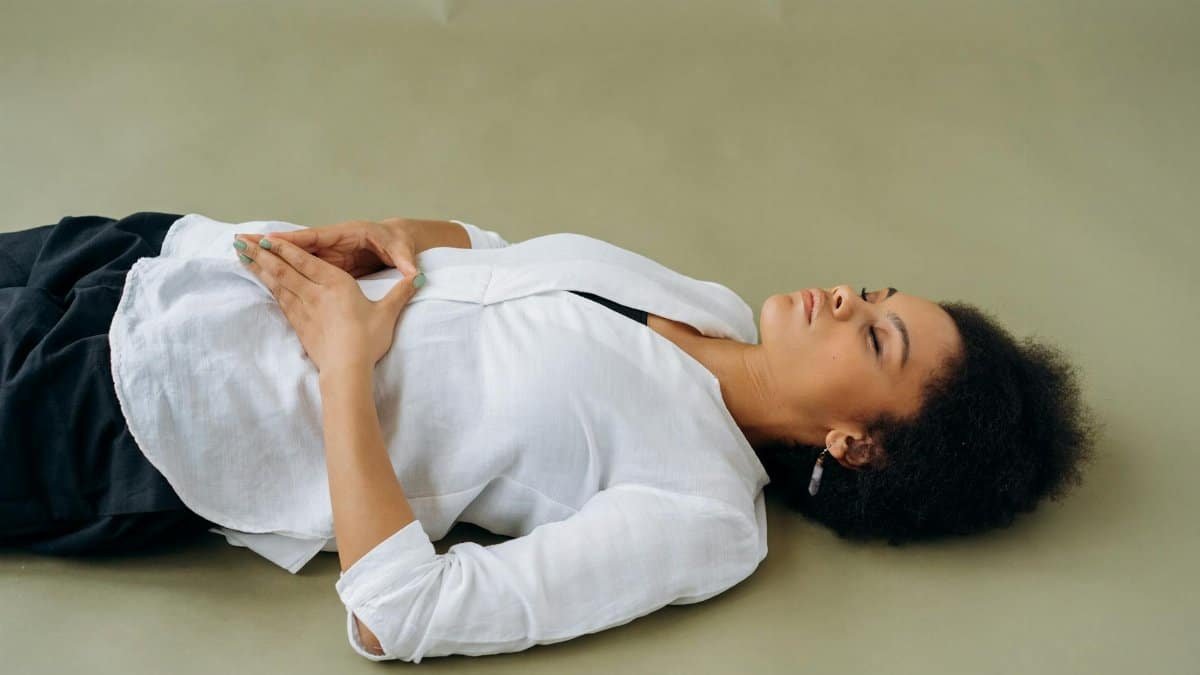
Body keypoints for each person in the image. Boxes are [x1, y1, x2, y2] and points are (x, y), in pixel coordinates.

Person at [0, 212, 1099, 662]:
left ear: (859, 445)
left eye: (876, 337)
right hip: (167, 258)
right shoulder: (710, 304)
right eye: (878, 292)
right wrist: (391, 233)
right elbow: (495, 254)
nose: (848, 297)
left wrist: (345, 363)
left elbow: (400, 613)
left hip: (139, 420)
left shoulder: (705, 517)